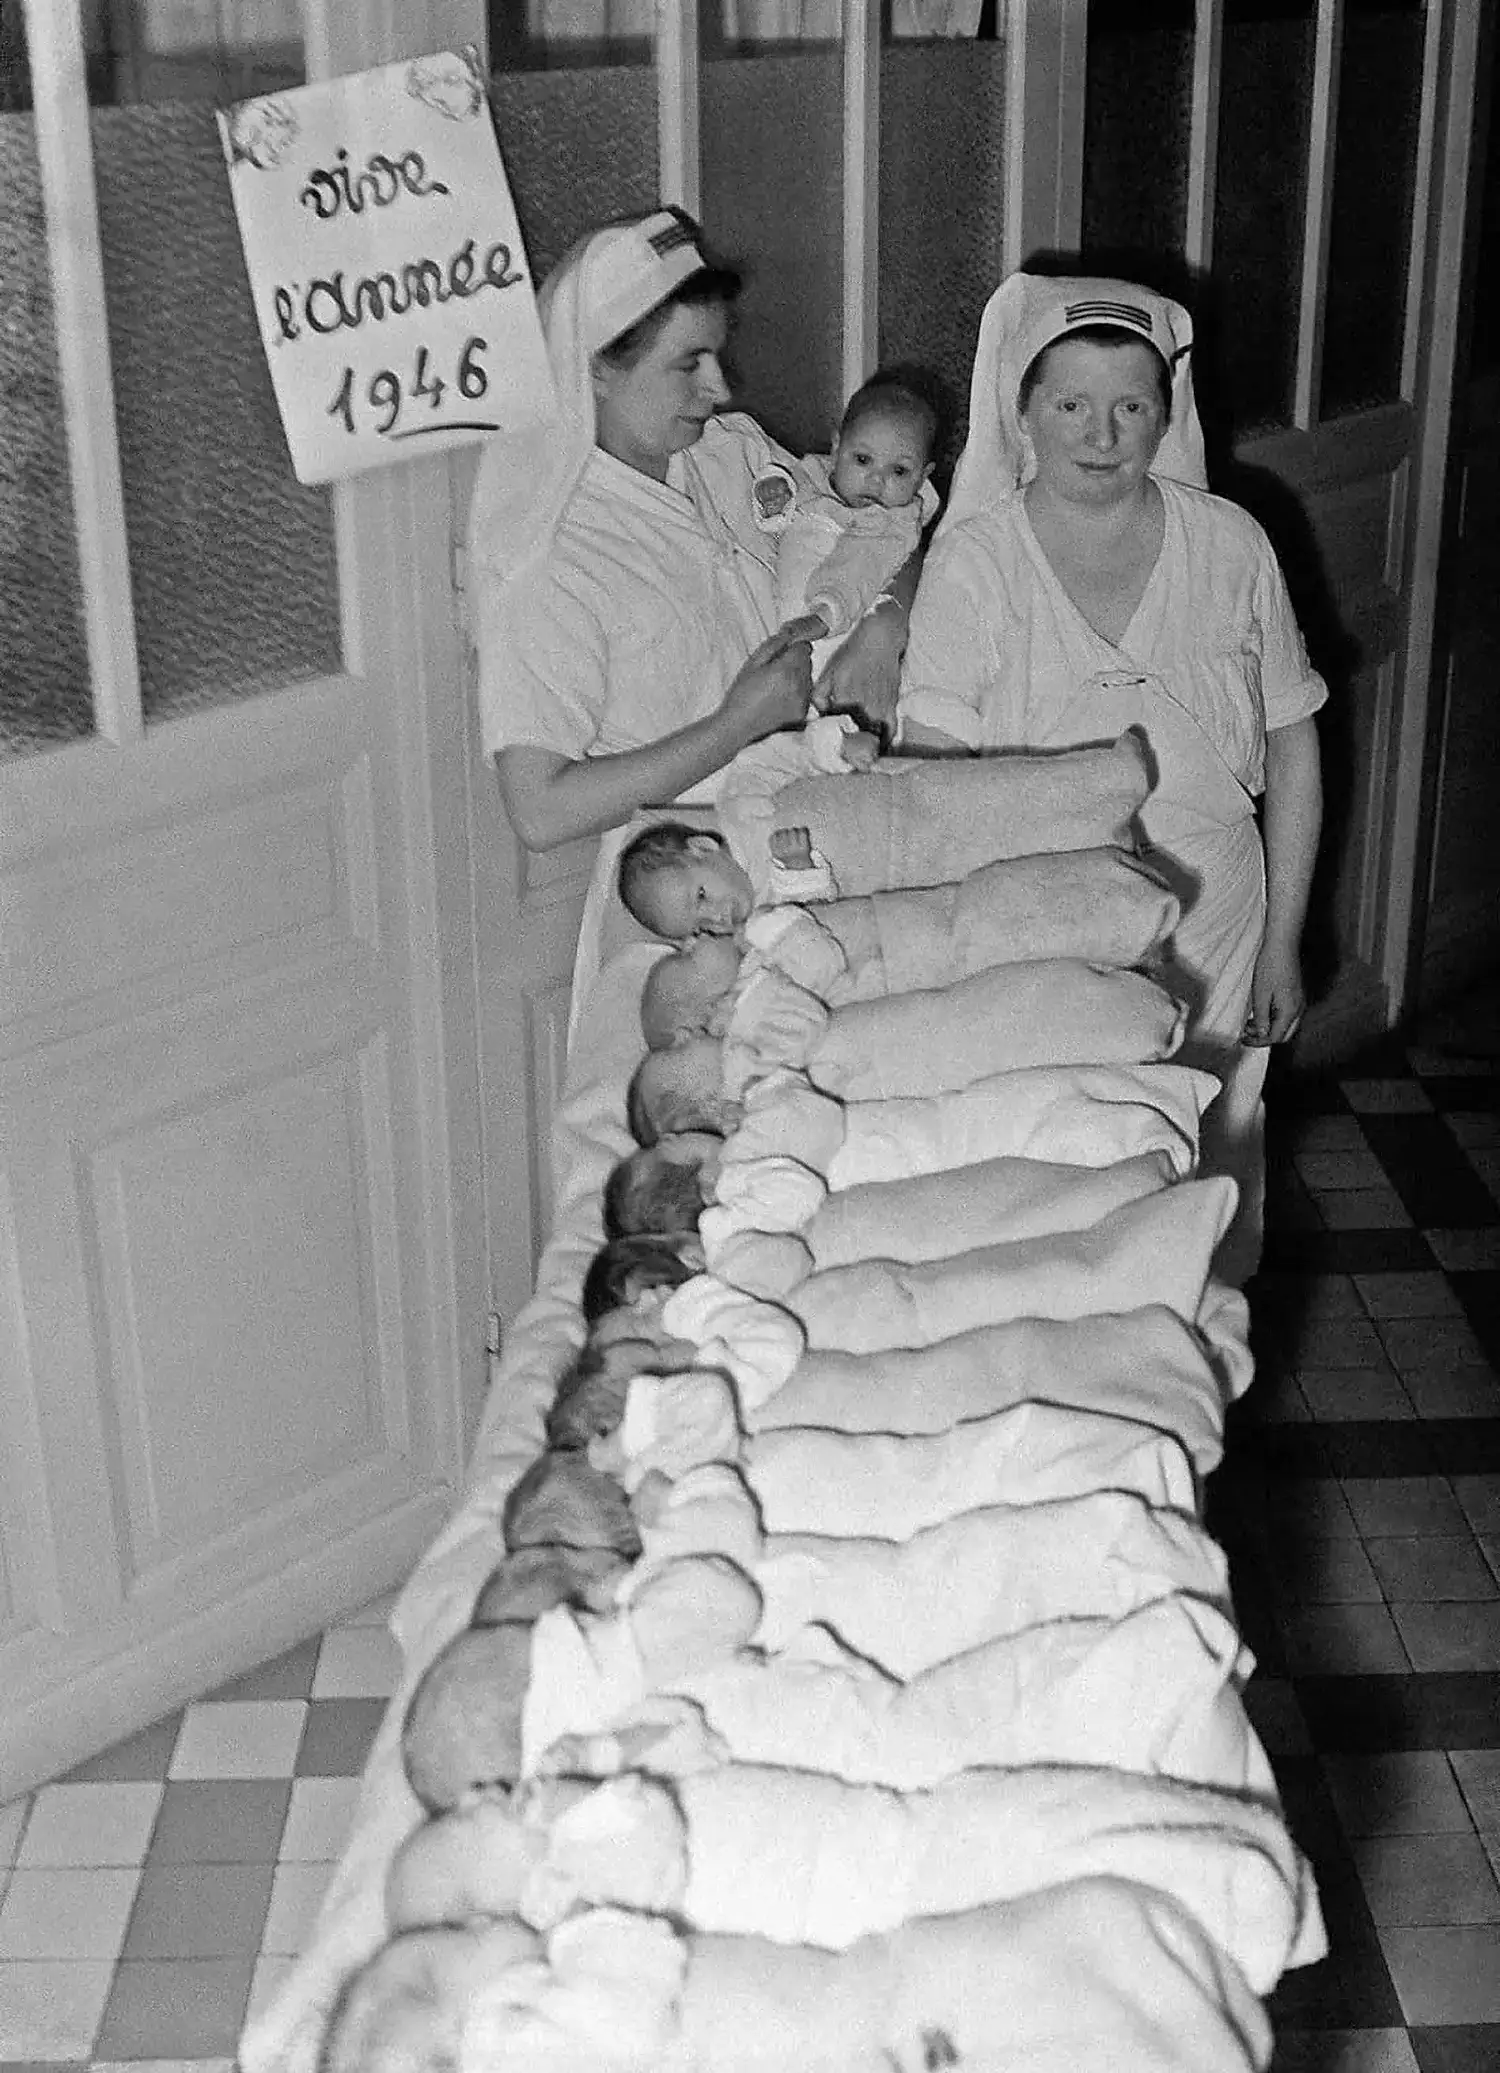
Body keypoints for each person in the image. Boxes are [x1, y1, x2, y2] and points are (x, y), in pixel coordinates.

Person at [898, 272, 1325, 1278]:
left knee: (1209, 1190)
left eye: (1131, 405)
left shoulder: (1233, 544)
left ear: (1164, 416)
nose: (1101, 433)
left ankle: (1193, 1406)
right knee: (1064, 1193)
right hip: (1045, 930)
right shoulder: (978, 565)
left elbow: (1295, 743)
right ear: (1025, 415)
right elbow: (933, 783)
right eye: (1071, 404)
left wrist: (1283, 944)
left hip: (1219, 922)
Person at [466, 206, 911, 861]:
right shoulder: (551, 558)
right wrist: (735, 726)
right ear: (596, 367)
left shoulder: (729, 451)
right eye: (688, 364)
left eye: (718, 354)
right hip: (708, 882)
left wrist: (883, 628)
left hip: (851, 815)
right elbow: (539, 810)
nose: (721, 386)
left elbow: (891, 521)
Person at [772, 369, 941, 680]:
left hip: (834, 635)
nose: (877, 480)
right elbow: (773, 507)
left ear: (923, 476)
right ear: (836, 447)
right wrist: (770, 495)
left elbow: (859, 568)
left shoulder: (891, 526)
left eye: (900, 471)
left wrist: (824, 615)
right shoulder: (808, 476)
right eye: (863, 460)